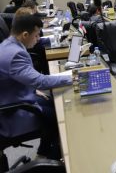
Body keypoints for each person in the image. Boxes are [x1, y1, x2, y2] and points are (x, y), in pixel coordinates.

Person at [0, 14, 72, 159]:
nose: (38, 39)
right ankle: (51, 160)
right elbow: (40, 81)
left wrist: (34, 90)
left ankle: (43, 152)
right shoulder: (15, 54)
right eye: (37, 35)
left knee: (53, 103)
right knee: (61, 117)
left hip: (12, 98)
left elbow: (18, 79)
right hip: (10, 114)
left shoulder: (7, 45)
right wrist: (72, 77)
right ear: (25, 34)